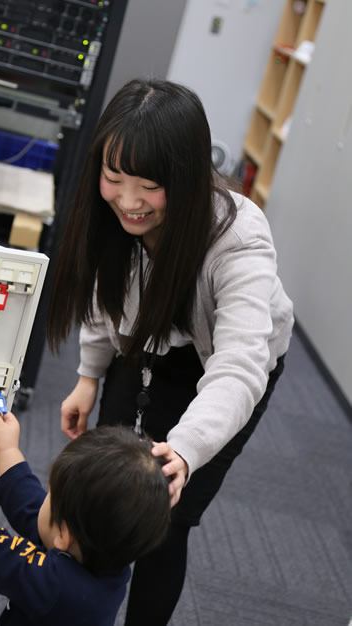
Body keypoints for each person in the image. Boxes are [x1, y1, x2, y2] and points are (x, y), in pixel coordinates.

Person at [46, 78, 294, 625]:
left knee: (165, 517)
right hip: (142, 339)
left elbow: (238, 367)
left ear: (185, 178)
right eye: (114, 178)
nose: (128, 201)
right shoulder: (111, 212)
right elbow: (107, 292)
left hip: (221, 364)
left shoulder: (239, 239)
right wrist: (88, 375)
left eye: (149, 186)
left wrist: (184, 448)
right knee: (103, 492)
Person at [0, 409, 171, 626]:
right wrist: (7, 449)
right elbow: (31, 509)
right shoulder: (103, 553)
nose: (43, 498)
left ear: (64, 535)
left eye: (50, 494)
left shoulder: (56, 587)